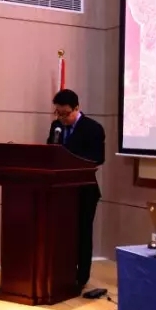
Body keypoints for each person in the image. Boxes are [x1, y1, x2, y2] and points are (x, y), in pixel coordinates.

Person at [46, 89, 105, 289]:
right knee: (62, 233)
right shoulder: (56, 126)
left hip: (84, 191)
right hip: (60, 191)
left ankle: (81, 277)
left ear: (77, 108)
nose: (62, 118)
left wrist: (69, 158)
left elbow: (98, 158)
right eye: (58, 113)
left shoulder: (93, 128)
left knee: (82, 233)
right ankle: (61, 272)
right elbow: (50, 152)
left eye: (66, 113)